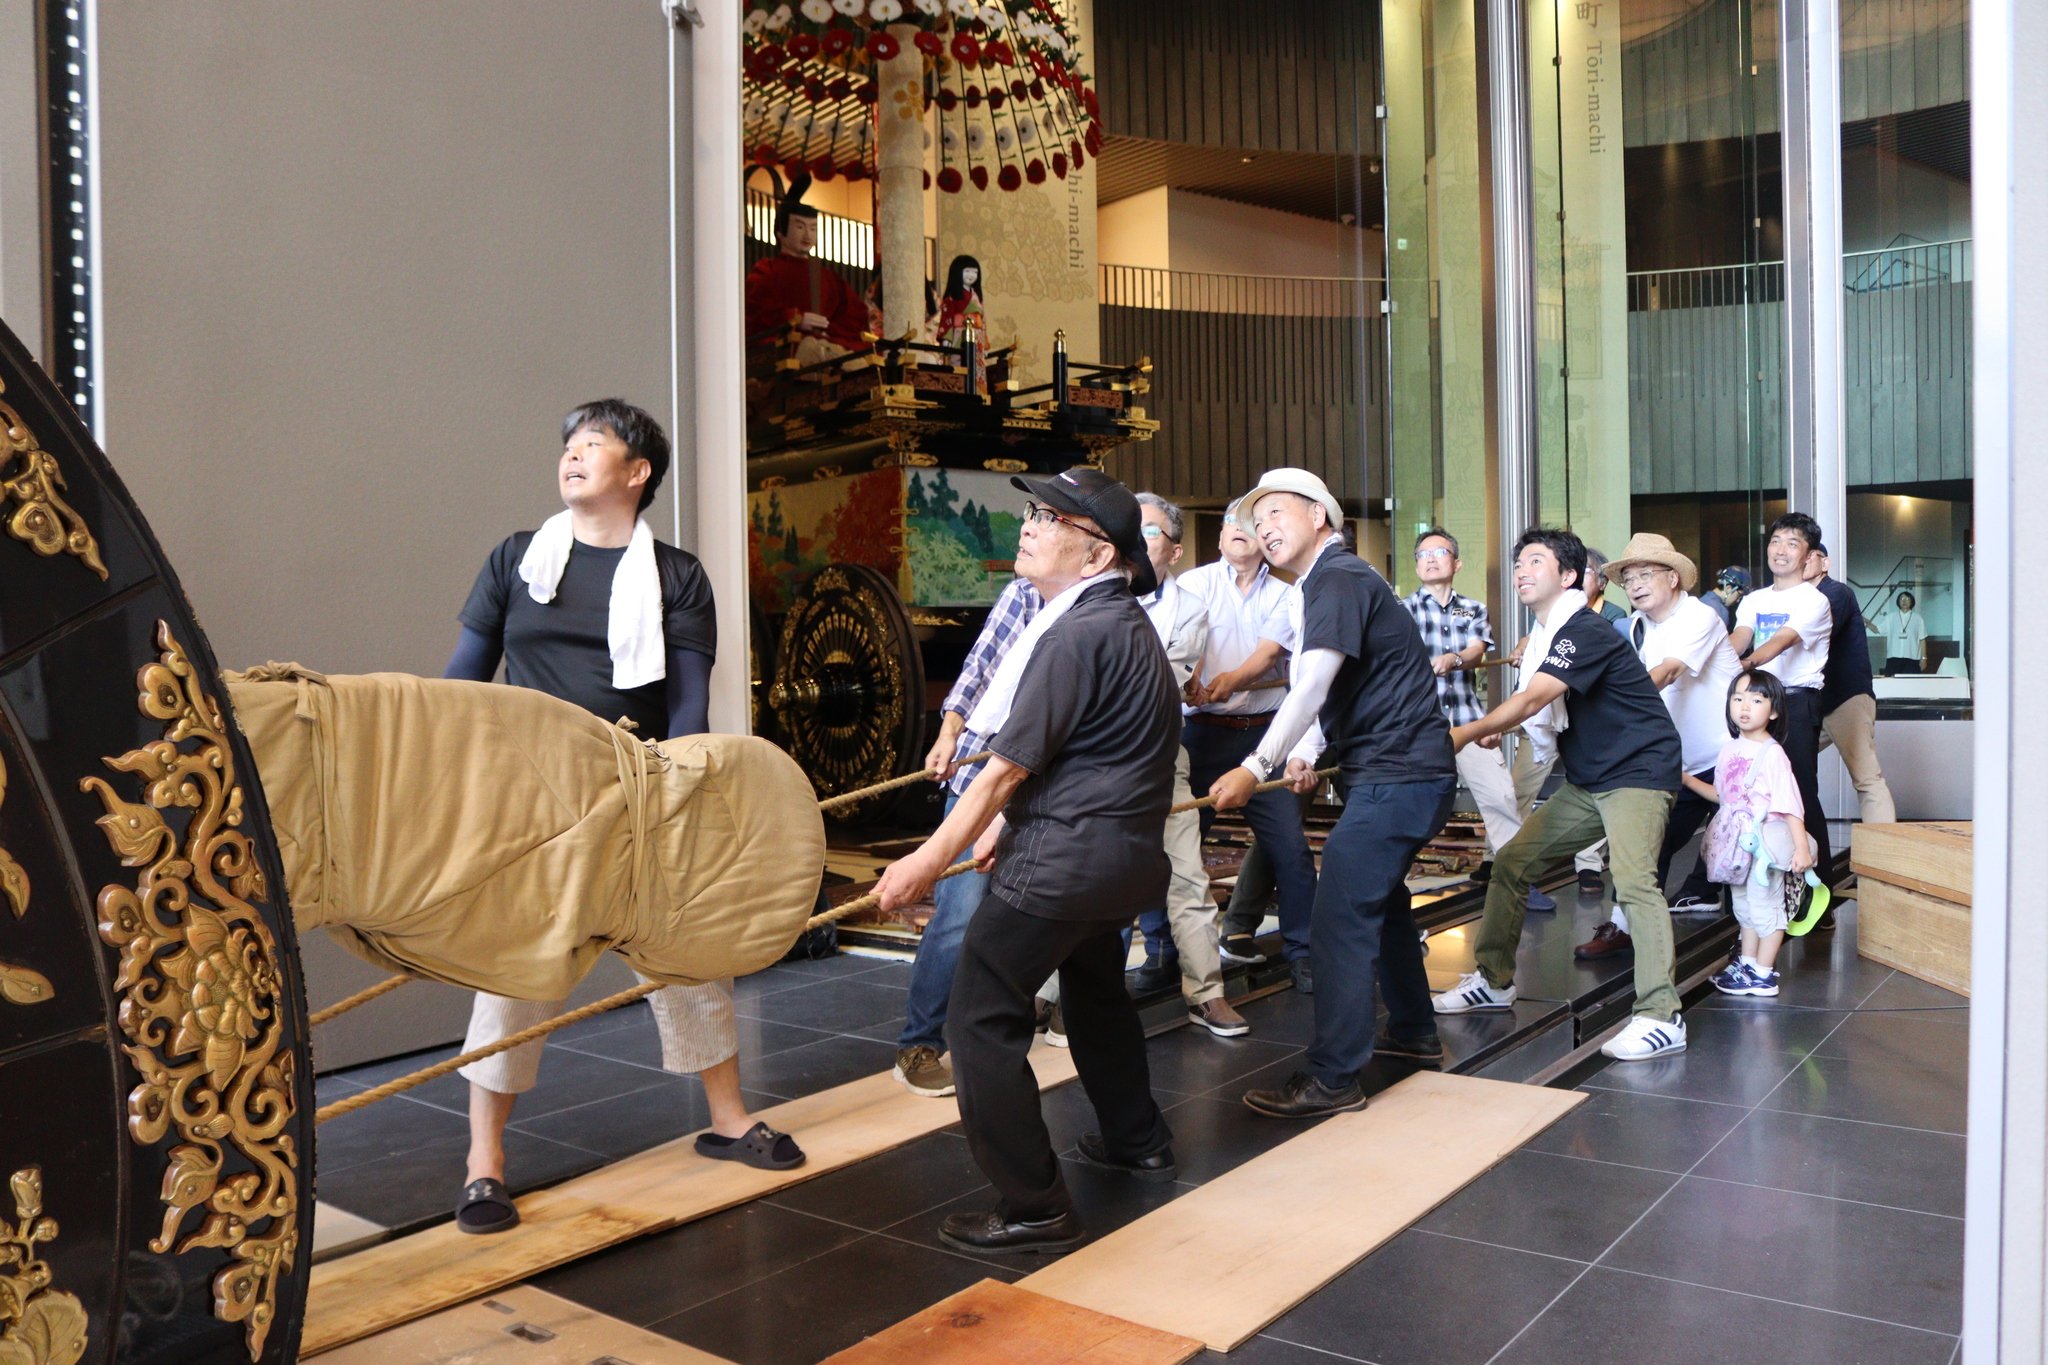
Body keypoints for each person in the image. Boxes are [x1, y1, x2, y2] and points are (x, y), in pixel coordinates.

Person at [447, 399, 802, 1236]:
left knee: (690, 955)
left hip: (640, 788)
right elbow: (463, 682)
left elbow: (688, 707)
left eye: (593, 444)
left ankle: (728, 1119)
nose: (572, 455)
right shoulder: (516, 560)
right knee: (514, 975)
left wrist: (675, 798)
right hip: (533, 799)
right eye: (568, 444)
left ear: (638, 472)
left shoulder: (677, 576)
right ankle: (483, 1163)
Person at [873, 467, 1181, 1254]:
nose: (1031, 525)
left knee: (978, 1017)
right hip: (1118, 864)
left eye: (1053, 518)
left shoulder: (1075, 634)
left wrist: (926, 858)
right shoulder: (1120, 624)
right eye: (1035, 512)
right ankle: (1137, 1138)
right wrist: (1000, 828)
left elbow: (1005, 769)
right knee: (1096, 996)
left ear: (1098, 554)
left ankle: (1034, 1204)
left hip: (1061, 866)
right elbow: (1090, 756)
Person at [1208, 470, 1457, 1118]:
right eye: (1256, 519)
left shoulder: (1338, 577)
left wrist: (1255, 764)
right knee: (1385, 903)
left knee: (1338, 917)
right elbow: (1336, 688)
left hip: (1399, 777)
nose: (1264, 527)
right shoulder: (1322, 584)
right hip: (1396, 774)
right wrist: (1303, 753)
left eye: (1276, 512)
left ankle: (1333, 1077)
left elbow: (1312, 684)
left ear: (1319, 515)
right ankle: (1413, 1030)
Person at [1433, 528, 1689, 1062]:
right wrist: (1495, 728)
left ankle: (1662, 1016)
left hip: (1638, 772)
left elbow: (1535, 699)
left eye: (1535, 561)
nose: (1521, 571)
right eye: (1518, 563)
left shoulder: (1583, 629)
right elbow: (1535, 703)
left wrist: (1461, 734)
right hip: (1591, 779)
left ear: (1569, 576)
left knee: (1635, 883)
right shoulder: (1545, 636)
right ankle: (1493, 981)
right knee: (1513, 863)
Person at [894, 573, 1044, 1097]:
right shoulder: (1025, 594)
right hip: (983, 777)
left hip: (1049, 789)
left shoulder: (1103, 608)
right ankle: (919, 1043)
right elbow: (978, 668)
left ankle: (994, 1032)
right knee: (959, 914)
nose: (1029, 535)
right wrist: (948, 734)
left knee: (1028, 915)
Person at [1574, 533, 1742, 960]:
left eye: (1645, 574)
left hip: (1728, 758)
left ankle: (1751, 945)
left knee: (1742, 850)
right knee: (1649, 843)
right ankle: (1623, 927)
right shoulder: (1633, 627)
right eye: (1628, 579)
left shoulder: (1700, 616)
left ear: (1672, 577)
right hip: (1676, 760)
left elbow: (1667, 673)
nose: (1635, 585)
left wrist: (1612, 709)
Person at [1176, 498, 1320, 989]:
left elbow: (1267, 654)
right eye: (1230, 523)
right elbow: (1188, 642)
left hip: (1263, 736)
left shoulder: (1286, 593)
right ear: (1219, 536)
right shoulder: (1194, 584)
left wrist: (1228, 682)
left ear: (1264, 539)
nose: (1239, 530)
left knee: (1291, 850)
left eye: (1251, 523)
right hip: (1200, 734)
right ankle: (1163, 955)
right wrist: (1196, 680)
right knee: (1177, 846)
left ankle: (1303, 951)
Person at [1121, 493, 1249, 1037]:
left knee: (1187, 879)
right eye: (1130, 526)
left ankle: (1207, 992)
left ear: (1174, 550)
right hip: (1087, 760)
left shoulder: (1189, 608)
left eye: (1149, 531)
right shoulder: (1087, 590)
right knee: (1083, 878)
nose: (1135, 538)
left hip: (1158, 753)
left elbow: (1157, 684)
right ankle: (1053, 996)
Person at [1401, 528, 1550, 913]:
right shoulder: (1402, 610)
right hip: (1420, 725)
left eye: (1439, 552)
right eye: (1422, 554)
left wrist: (1453, 659)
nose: (1430, 559)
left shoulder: (1473, 609)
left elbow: (1476, 650)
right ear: (1416, 566)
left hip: (1469, 721)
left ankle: (1519, 883)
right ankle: (1392, 888)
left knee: (1501, 797)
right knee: (1409, 806)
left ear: (1457, 563)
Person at [1692, 669, 1816, 997]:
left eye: (1757, 700)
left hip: (1764, 845)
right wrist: (1686, 780)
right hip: (1736, 845)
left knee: (1766, 906)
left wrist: (1801, 848)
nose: (1744, 706)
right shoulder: (1729, 748)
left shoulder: (1772, 754)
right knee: (1744, 906)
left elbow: (1790, 805)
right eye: (1738, 698)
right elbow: (1723, 796)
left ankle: (1763, 973)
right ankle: (1747, 963)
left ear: (1774, 711)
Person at [1729, 512, 1835, 890]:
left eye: (1792, 543)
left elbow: (1779, 642)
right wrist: (1717, 660)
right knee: (1753, 790)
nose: (1781, 550)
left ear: (1809, 556)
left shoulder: (1815, 601)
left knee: (1800, 792)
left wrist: (1743, 665)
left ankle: (1819, 887)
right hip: (1758, 701)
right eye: (1776, 541)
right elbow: (1741, 637)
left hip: (1796, 702)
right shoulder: (1754, 599)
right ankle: (1761, 881)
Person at [1807, 545, 1897, 826]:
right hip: (1812, 702)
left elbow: (1817, 630)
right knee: (1782, 765)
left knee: (1867, 779)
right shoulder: (1795, 598)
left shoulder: (1837, 592)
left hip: (1845, 699)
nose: (1803, 560)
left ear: (1825, 563)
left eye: (1810, 555)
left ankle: (1883, 849)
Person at [744, 173, 867, 367]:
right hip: (789, 346)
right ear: (780, 232)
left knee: (856, 362)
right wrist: (795, 319)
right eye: (800, 227)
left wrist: (830, 330)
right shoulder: (767, 270)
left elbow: (854, 315)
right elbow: (758, 309)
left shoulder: (830, 278)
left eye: (813, 228)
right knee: (812, 348)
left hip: (829, 345)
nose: (808, 235)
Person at [1879, 589, 1928, 674]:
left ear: (1912, 602)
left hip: (1912, 659)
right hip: (1893, 659)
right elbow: (1877, 629)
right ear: (1898, 601)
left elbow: (1922, 639)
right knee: (1892, 681)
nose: (1904, 601)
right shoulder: (1890, 617)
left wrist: (1924, 658)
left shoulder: (1918, 618)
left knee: (1911, 682)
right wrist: (1865, 622)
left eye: (1907, 599)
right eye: (1902, 599)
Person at [1706, 565, 1749, 631]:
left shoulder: (1703, 600)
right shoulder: (1720, 611)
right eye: (1739, 595)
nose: (1738, 600)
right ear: (1728, 588)